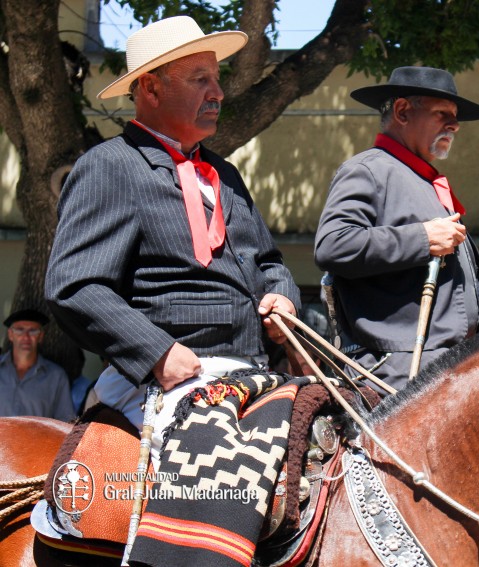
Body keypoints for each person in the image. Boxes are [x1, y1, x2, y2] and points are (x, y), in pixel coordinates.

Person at [44, 15, 300, 566]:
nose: (219, 92)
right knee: (223, 482)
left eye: (217, 78)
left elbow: (269, 262)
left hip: (253, 373)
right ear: (151, 88)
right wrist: (157, 352)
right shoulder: (109, 166)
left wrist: (283, 297)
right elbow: (75, 284)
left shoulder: (225, 175)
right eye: (200, 79)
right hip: (165, 381)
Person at [314, 66, 479, 394]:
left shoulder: (422, 179)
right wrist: (423, 237)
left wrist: (466, 291)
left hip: (446, 361)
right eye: (442, 114)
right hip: (397, 368)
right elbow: (333, 245)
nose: (454, 125)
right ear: (402, 111)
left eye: (455, 117)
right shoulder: (367, 170)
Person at [0, 308, 75, 420]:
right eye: (20, 330)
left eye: (33, 331)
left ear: (41, 336)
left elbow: (66, 421)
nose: (26, 337)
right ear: (10, 334)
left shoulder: (56, 376)